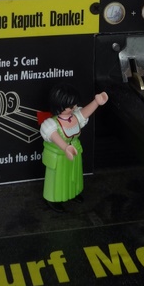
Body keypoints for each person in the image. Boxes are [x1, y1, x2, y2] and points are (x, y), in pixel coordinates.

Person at [39, 84, 108, 212]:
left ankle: (72, 193)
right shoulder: (52, 124)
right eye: (70, 106)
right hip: (58, 157)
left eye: (74, 105)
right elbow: (54, 136)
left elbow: (84, 113)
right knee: (58, 178)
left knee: (73, 175)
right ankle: (52, 198)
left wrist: (96, 102)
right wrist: (65, 148)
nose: (74, 108)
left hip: (74, 152)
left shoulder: (75, 116)